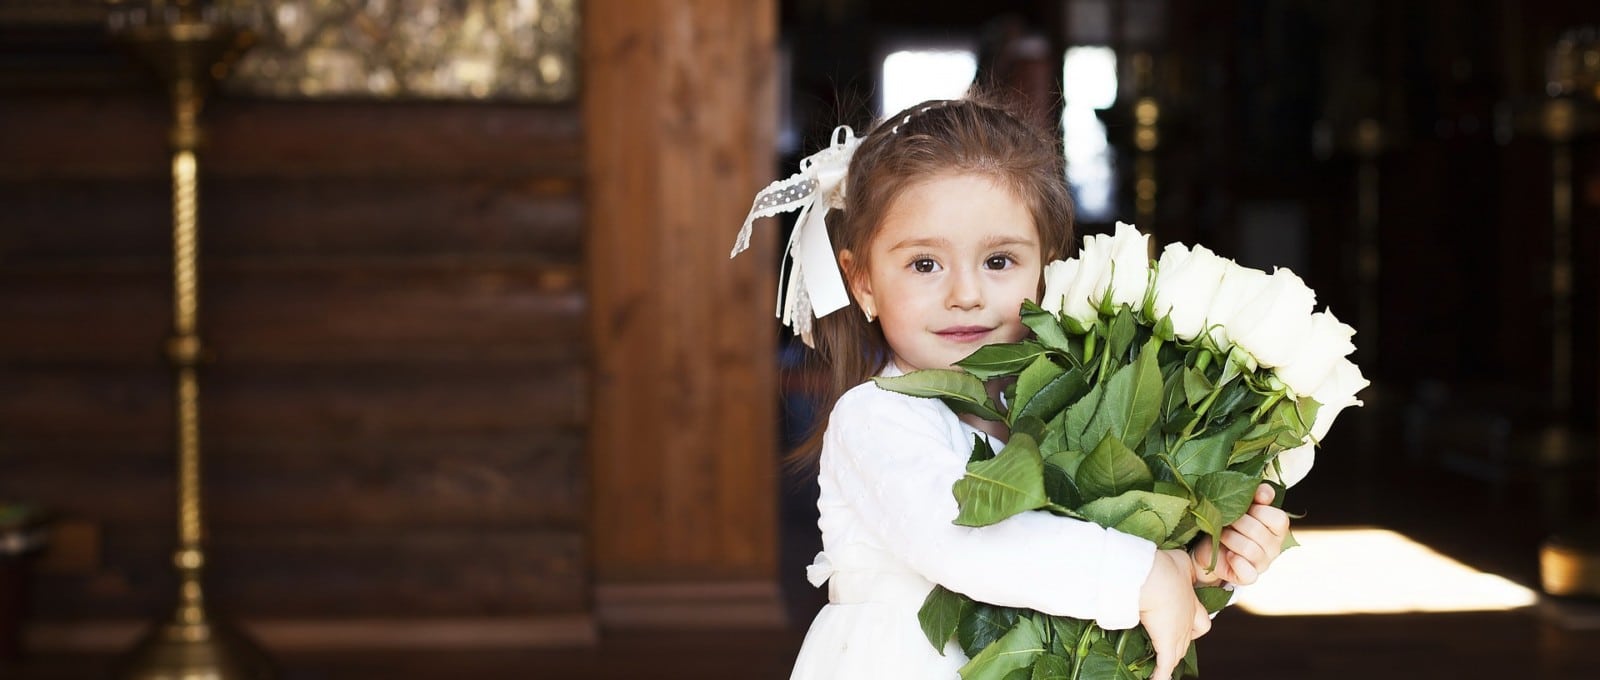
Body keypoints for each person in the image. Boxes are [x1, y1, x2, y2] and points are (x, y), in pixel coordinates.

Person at [730, 96, 1291, 680]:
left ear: (1049, 269)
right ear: (863, 282)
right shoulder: (874, 418)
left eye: (999, 261)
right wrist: (1141, 574)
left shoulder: (1072, 415)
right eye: (925, 264)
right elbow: (965, 542)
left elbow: (1094, 583)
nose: (966, 293)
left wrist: (1198, 556)